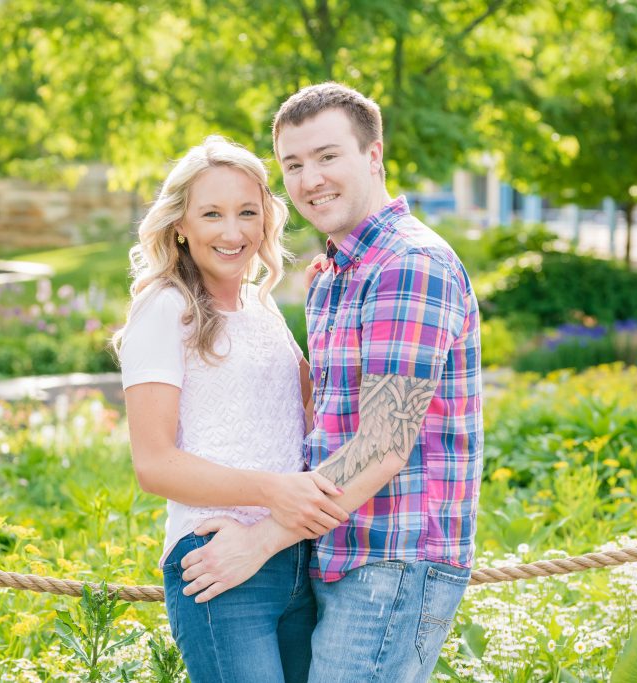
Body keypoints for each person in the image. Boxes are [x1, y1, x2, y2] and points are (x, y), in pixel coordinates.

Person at [177, 83, 484, 683]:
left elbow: (383, 445)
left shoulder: (408, 265)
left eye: (327, 156)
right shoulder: (332, 275)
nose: (310, 178)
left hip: (393, 557)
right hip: (338, 549)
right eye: (293, 164)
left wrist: (261, 540)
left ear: (373, 157)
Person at [114, 135, 350, 683]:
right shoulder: (163, 309)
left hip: (295, 556)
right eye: (212, 214)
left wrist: (327, 308)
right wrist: (274, 491)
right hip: (217, 565)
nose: (232, 231)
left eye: (248, 213)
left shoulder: (262, 310)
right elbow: (154, 465)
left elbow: (309, 419)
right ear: (180, 225)